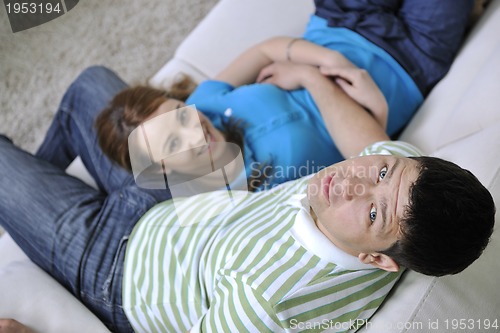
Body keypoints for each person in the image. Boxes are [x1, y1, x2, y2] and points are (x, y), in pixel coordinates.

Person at [0, 55, 495, 332]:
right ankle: (36, 196)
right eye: (382, 172)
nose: (353, 179)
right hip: (183, 200)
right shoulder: (403, 184)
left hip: (114, 267)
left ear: (378, 260)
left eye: (370, 209)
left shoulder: (267, 304)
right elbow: (380, 144)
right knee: (92, 81)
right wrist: (310, 79)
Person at [94, 0, 477, 190]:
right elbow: (371, 162)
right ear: (164, 170)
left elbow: (265, 51)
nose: (195, 128)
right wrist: (315, 81)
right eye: (175, 142)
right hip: (409, 59)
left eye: (181, 112)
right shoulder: (256, 192)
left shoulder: (206, 100)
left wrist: (329, 60)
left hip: (342, 19)